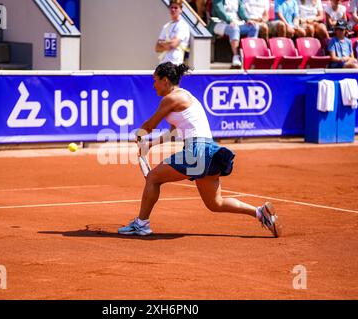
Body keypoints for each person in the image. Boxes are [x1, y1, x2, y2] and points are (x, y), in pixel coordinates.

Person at [118, 62, 281, 238]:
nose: (153, 84)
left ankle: (141, 224)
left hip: (197, 151)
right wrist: (150, 144)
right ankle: (259, 212)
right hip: (210, 152)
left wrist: (139, 135)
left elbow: (150, 125)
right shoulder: (185, 97)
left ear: (165, 80)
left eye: (155, 80)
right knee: (215, 203)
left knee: (153, 178)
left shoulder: (171, 98)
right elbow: (175, 133)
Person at [209, 0, 260, 67]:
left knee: (254, 27)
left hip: (236, 23)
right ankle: (236, 57)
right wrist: (229, 20)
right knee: (234, 29)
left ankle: (249, 54)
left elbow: (242, 11)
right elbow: (219, 11)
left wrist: (247, 20)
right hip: (219, 23)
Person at [155, 0, 191, 65]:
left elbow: (173, 45)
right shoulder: (166, 26)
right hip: (163, 63)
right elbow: (157, 48)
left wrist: (162, 43)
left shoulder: (183, 25)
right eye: (171, 7)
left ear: (181, 10)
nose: (173, 9)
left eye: (176, 8)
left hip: (175, 63)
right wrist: (169, 43)